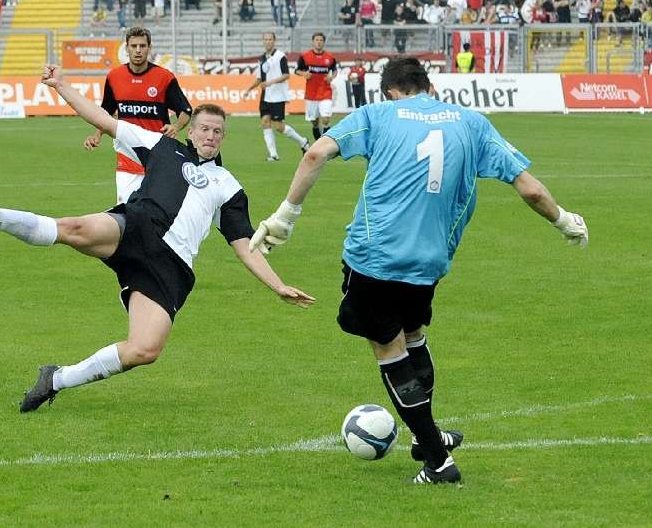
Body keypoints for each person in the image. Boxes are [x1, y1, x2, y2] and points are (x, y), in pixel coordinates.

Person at [249, 56, 588, 484]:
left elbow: (316, 151)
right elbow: (530, 188)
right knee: (413, 338)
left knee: (388, 350)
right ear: (428, 84)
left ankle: (436, 461)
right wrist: (564, 220)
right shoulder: (472, 122)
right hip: (429, 263)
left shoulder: (378, 114)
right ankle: (426, 436)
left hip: (376, 258)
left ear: (390, 91)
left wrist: (285, 216)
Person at [0, 65, 315, 413]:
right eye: (205, 129)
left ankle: (55, 380)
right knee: (74, 229)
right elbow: (103, 120)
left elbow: (245, 245)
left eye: (218, 131)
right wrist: (61, 85)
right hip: (137, 226)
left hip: (171, 266)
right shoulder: (161, 147)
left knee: (144, 350)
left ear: (224, 138)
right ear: (190, 132)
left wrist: (277, 285)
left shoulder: (229, 186)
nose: (211, 136)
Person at [83, 27, 192, 204]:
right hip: (127, 158)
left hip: (158, 158)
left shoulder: (164, 77)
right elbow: (105, 112)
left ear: (150, 47)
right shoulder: (114, 77)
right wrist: (96, 135)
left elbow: (185, 111)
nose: (138, 50)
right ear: (126, 48)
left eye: (142, 45)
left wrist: (176, 126)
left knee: (158, 213)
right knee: (126, 212)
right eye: (133, 46)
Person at [242, 32, 310, 162]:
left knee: (279, 126)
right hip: (265, 96)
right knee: (265, 122)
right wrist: (249, 90)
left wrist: (270, 82)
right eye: (265, 39)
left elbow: (286, 75)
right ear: (263, 41)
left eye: (270, 39)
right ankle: (273, 154)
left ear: (274, 41)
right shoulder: (261, 58)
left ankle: (303, 142)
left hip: (278, 95)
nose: (268, 41)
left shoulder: (280, 56)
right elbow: (259, 78)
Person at [295, 32, 337, 142]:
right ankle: (318, 140)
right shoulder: (305, 57)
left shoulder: (330, 58)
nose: (319, 42)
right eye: (316, 40)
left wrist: (331, 77)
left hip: (325, 92)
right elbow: (297, 70)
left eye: (321, 40)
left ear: (324, 42)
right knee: (314, 121)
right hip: (311, 94)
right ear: (313, 42)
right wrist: (304, 74)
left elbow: (335, 70)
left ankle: (326, 142)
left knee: (326, 119)